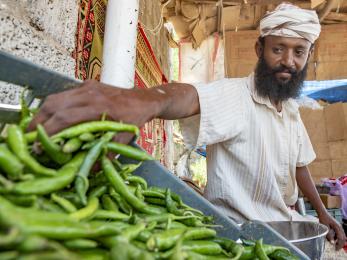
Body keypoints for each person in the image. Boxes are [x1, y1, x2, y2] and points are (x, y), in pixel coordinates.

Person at [29, 3, 346, 249]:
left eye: (298, 52)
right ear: (260, 50)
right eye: (278, 49)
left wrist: (321, 212)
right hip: (237, 237)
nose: (288, 61)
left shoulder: (290, 109)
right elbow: (187, 97)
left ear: (309, 55)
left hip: (286, 231)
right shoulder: (236, 95)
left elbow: (300, 165)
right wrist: (146, 101)